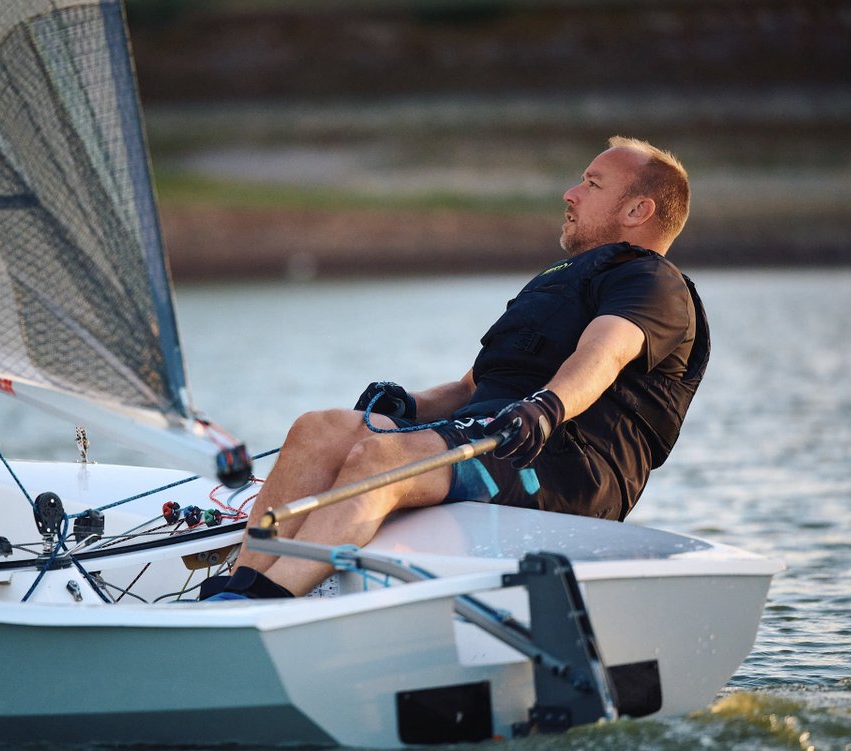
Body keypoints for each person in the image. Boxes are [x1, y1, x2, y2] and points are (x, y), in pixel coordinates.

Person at [206, 135, 708, 601]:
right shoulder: (556, 282)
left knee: (383, 458)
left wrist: (546, 408)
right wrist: (408, 404)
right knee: (320, 429)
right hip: (493, 433)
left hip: (565, 464)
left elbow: (605, 353)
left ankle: (268, 603)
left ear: (638, 210)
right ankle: (242, 585)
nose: (570, 193)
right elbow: (472, 386)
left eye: (592, 184)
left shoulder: (652, 280)